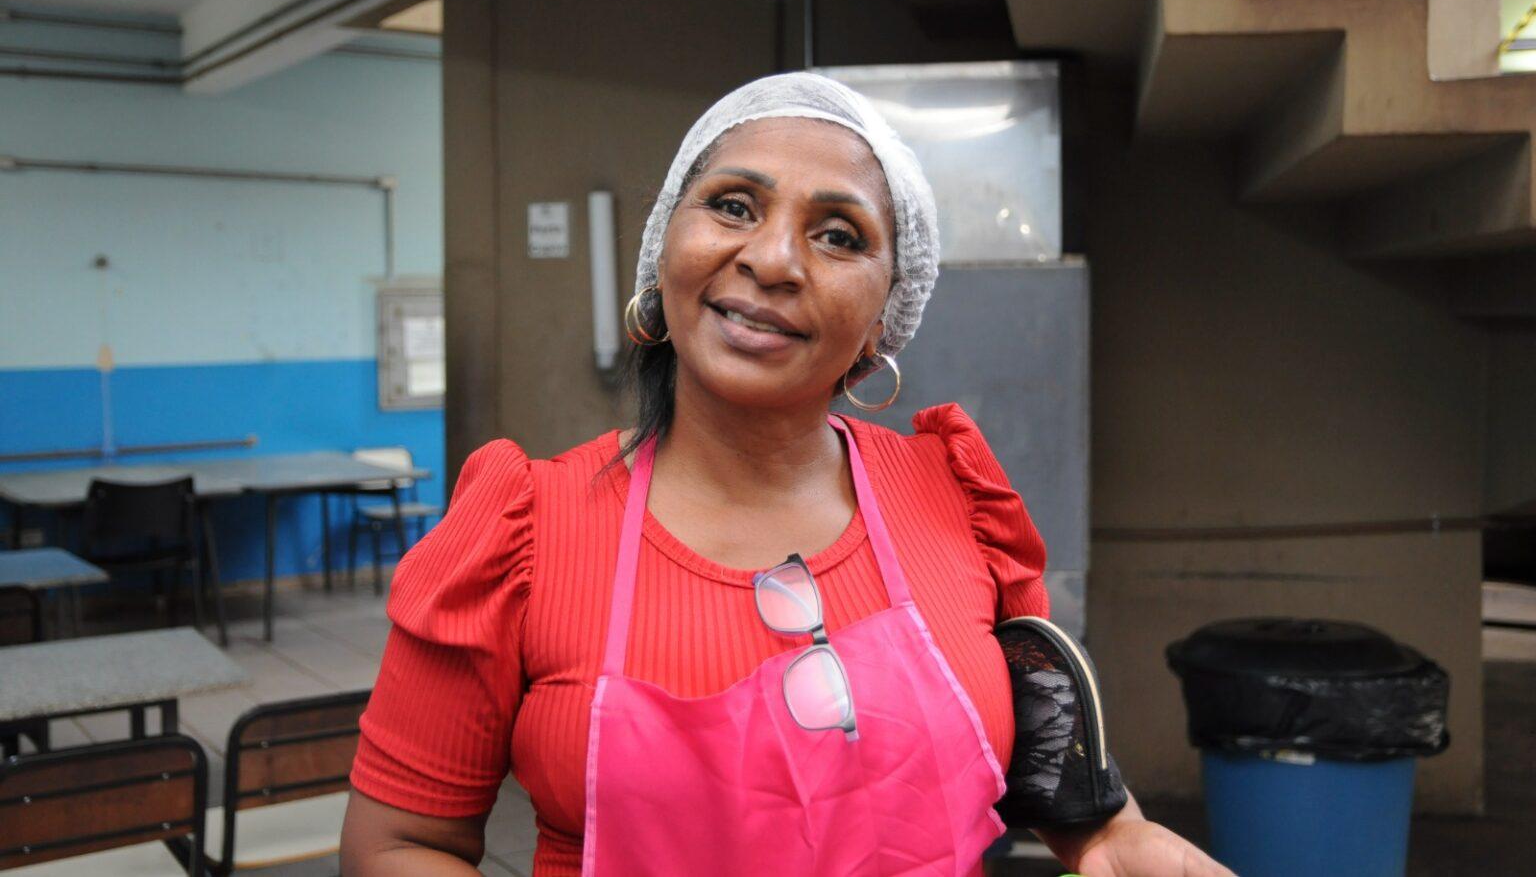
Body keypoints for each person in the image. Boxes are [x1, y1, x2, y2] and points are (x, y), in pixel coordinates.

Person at [340, 73, 1232, 876]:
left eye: (839, 234)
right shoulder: (525, 528)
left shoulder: (956, 498)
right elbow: (400, 845)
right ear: (665, 247)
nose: (772, 259)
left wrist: (1112, 840)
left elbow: (1048, 766)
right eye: (733, 206)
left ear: (887, 314)